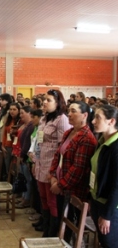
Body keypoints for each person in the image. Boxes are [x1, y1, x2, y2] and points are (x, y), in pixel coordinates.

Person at [49, 101, 97, 243]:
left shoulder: (87, 138)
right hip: (60, 184)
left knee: (70, 225)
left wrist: (61, 185)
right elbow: (58, 155)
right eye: (69, 111)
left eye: (74, 111)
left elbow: (78, 169)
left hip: (73, 189)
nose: (69, 114)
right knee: (61, 220)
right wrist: (53, 176)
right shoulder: (69, 132)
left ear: (85, 115)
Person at [33, 89, 71, 237]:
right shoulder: (44, 118)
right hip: (41, 163)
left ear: (58, 103)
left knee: (52, 201)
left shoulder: (61, 119)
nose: (44, 102)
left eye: (48, 100)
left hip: (52, 167)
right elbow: (39, 140)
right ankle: (46, 224)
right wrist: (35, 161)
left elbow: (63, 148)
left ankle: (52, 231)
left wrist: (56, 172)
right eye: (44, 99)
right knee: (43, 198)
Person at [90, 105, 118, 247]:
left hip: (110, 208)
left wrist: (107, 215)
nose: (93, 121)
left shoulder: (116, 146)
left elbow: (117, 186)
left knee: (110, 243)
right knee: (103, 241)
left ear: (111, 121)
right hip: (97, 201)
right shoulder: (102, 141)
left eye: (98, 118)